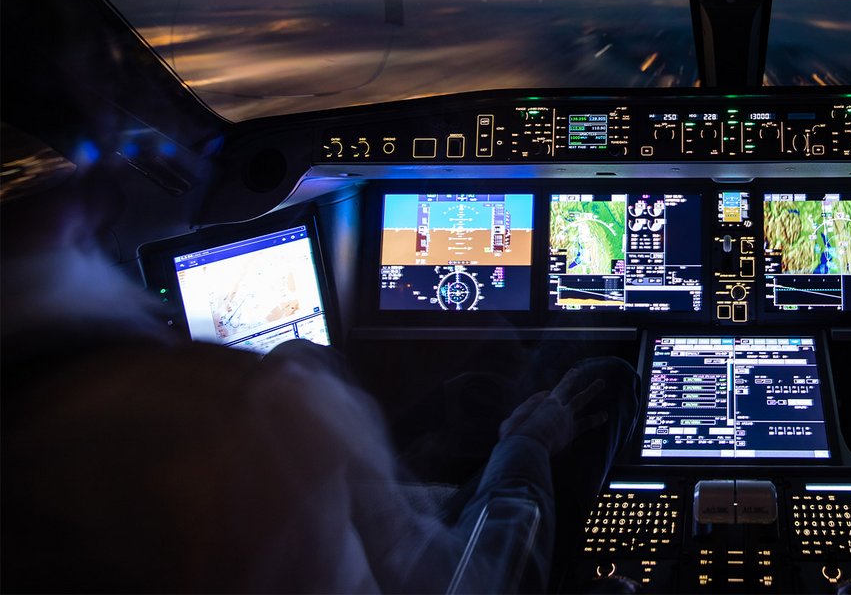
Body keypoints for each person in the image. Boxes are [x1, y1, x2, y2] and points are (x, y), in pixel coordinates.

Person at [1, 153, 638, 592]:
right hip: (439, 556)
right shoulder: (251, 418)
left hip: (398, 512)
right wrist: (526, 446)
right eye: (88, 247)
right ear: (67, 212)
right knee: (603, 372)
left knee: (487, 383)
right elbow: (476, 583)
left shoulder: (54, 426)